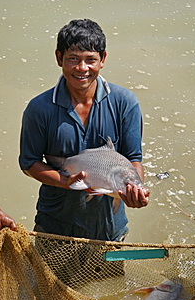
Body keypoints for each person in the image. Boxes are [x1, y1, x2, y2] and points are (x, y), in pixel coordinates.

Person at [19, 18, 150, 241]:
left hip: (109, 228)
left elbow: (133, 158)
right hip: (55, 224)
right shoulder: (39, 108)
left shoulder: (125, 103)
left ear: (103, 60)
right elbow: (28, 163)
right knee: (49, 277)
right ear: (59, 58)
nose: (82, 68)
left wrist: (135, 190)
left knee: (109, 278)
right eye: (73, 59)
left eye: (91, 60)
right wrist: (63, 181)